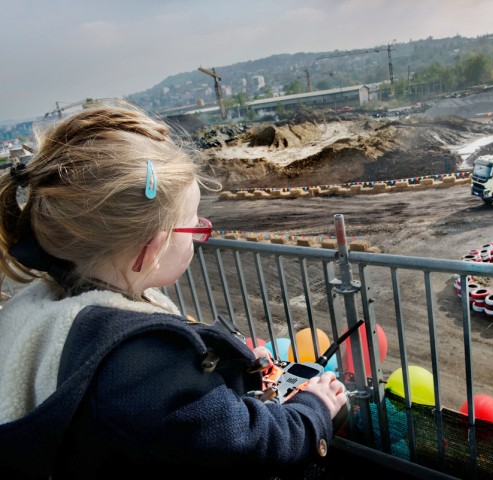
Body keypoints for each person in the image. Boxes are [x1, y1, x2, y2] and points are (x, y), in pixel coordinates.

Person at [0, 100, 348, 479]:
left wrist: (234, 365)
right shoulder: (139, 364)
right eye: (194, 226)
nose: (199, 235)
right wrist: (314, 409)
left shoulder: (48, 302)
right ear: (151, 249)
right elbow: (250, 442)